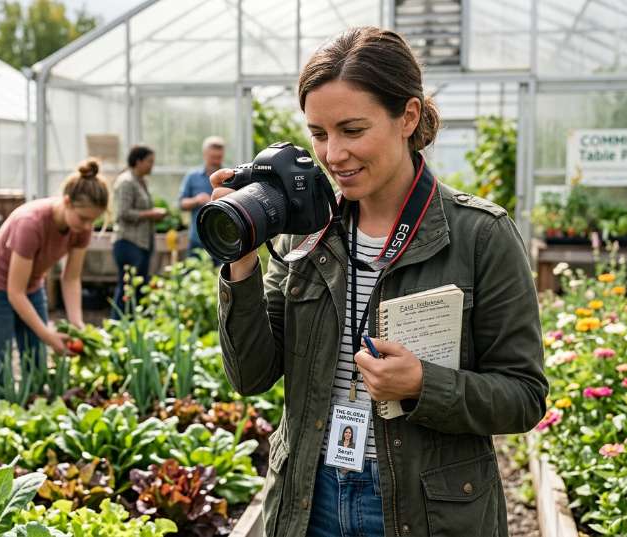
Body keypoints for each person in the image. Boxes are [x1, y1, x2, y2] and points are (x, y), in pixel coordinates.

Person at [211, 27, 547, 537]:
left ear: (407, 117)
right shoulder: (308, 232)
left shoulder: (480, 234)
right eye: (318, 134)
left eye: (352, 130)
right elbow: (251, 376)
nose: (333, 155)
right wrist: (241, 260)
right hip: (310, 499)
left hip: (426, 510)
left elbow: (524, 396)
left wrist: (423, 385)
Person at [0, 158, 108, 401]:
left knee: (36, 360)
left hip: (32, 286)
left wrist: (77, 323)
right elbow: (14, 291)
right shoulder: (31, 223)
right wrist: (48, 335)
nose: (87, 226)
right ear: (67, 202)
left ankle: (32, 411)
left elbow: (71, 278)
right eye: (83, 218)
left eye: (93, 220)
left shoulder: (81, 229)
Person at [111, 145, 167, 318]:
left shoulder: (140, 181)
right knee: (127, 288)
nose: (152, 165)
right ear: (138, 161)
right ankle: (117, 323)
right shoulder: (126, 182)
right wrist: (151, 214)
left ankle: (132, 324)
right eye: (149, 161)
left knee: (137, 288)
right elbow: (123, 213)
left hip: (142, 242)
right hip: (128, 242)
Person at [178, 136, 224, 261]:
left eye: (219, 157)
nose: (216, 161)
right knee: (194, 271)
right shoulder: (192, 176)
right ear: (205, 154)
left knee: (221, 273)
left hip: (222, 240)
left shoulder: (229, 176)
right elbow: (181, 203)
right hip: (197, 238)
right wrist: (196, 200)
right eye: (213, 157)